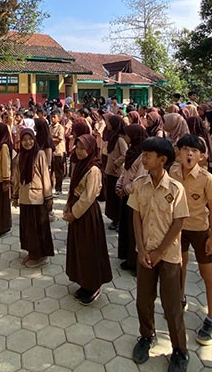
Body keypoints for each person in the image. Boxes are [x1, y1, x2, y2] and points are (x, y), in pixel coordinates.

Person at [129, 137, 190, 371]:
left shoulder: (176, 189)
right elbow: (136, 216)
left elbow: (178, 223)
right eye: (143, 154)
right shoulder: (140, 184)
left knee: (172, 305)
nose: (143, 158)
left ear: (162, 160)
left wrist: (159, 251)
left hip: (168, 256)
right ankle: (146, 336)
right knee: (143, 300)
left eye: (148, 155)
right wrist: (142, 249)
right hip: (144, 253)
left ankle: (179, 350)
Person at [170, 135, 212, 345]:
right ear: (178, 152)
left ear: (201, 156)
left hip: (200, 230)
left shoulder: (206, 178)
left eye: (194, 150)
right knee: (179, 266)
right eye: (185, 149)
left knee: (206, 273)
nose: (189, 154)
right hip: (178, 229)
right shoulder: (172, 172)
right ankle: (180, 298)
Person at [63, 134, 112, 305]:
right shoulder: (79, 165)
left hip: (87, 214)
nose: (80, 151)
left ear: (91, 149)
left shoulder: (94, 169)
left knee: (89, 248)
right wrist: (67, 206)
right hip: (76, 210)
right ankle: (83, 281)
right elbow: (73, 189)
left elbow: (88, 197)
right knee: (79, 248)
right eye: (77, 147)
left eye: (83, 148)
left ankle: (93, 285)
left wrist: (73, 213)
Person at [12, 128, 55, 268]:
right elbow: (17, 178)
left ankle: (41, 256)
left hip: (38, 198)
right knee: (28, 228)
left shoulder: (40, 154)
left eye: (30, 139)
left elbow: (45, 176)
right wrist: (15, 196)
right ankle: (32, 252)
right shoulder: (19, 157)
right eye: (24, 140)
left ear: (34, 139)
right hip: (25, 199)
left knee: (38, 229)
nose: (27, 142)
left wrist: (49, 197)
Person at [117, 124, 148, 272]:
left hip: (136, 197)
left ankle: (136, 262)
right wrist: (120, 183)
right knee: (127, 228)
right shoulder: (132, 151)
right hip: (127, 195)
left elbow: (140, 179)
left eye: (128, 135)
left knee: (135, 229)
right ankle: (129, 258)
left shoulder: (144, 155)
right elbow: (126, 170)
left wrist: (125, 189)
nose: (125, 137)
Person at [104, 114, 127, 230]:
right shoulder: (112, 137)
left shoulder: (120, 139)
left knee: (118, 199)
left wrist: (116, 163)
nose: (106, 124)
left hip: (117, 172)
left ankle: (119, 221)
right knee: (112, 198)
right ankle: (114, 219)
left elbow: (125, 154)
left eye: (108, 122)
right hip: (110, 171)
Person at [50, 110, 67, 196]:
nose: (52, 119)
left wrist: (50, 139)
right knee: (51, 171)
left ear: (58, 119)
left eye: (54, 117)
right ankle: (50, 187)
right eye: (51, 117)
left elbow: (59, 139)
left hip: (58, 152)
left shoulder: (60, 128)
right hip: (51, 152)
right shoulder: (49, 127)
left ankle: (58, 189)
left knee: (58, 172)